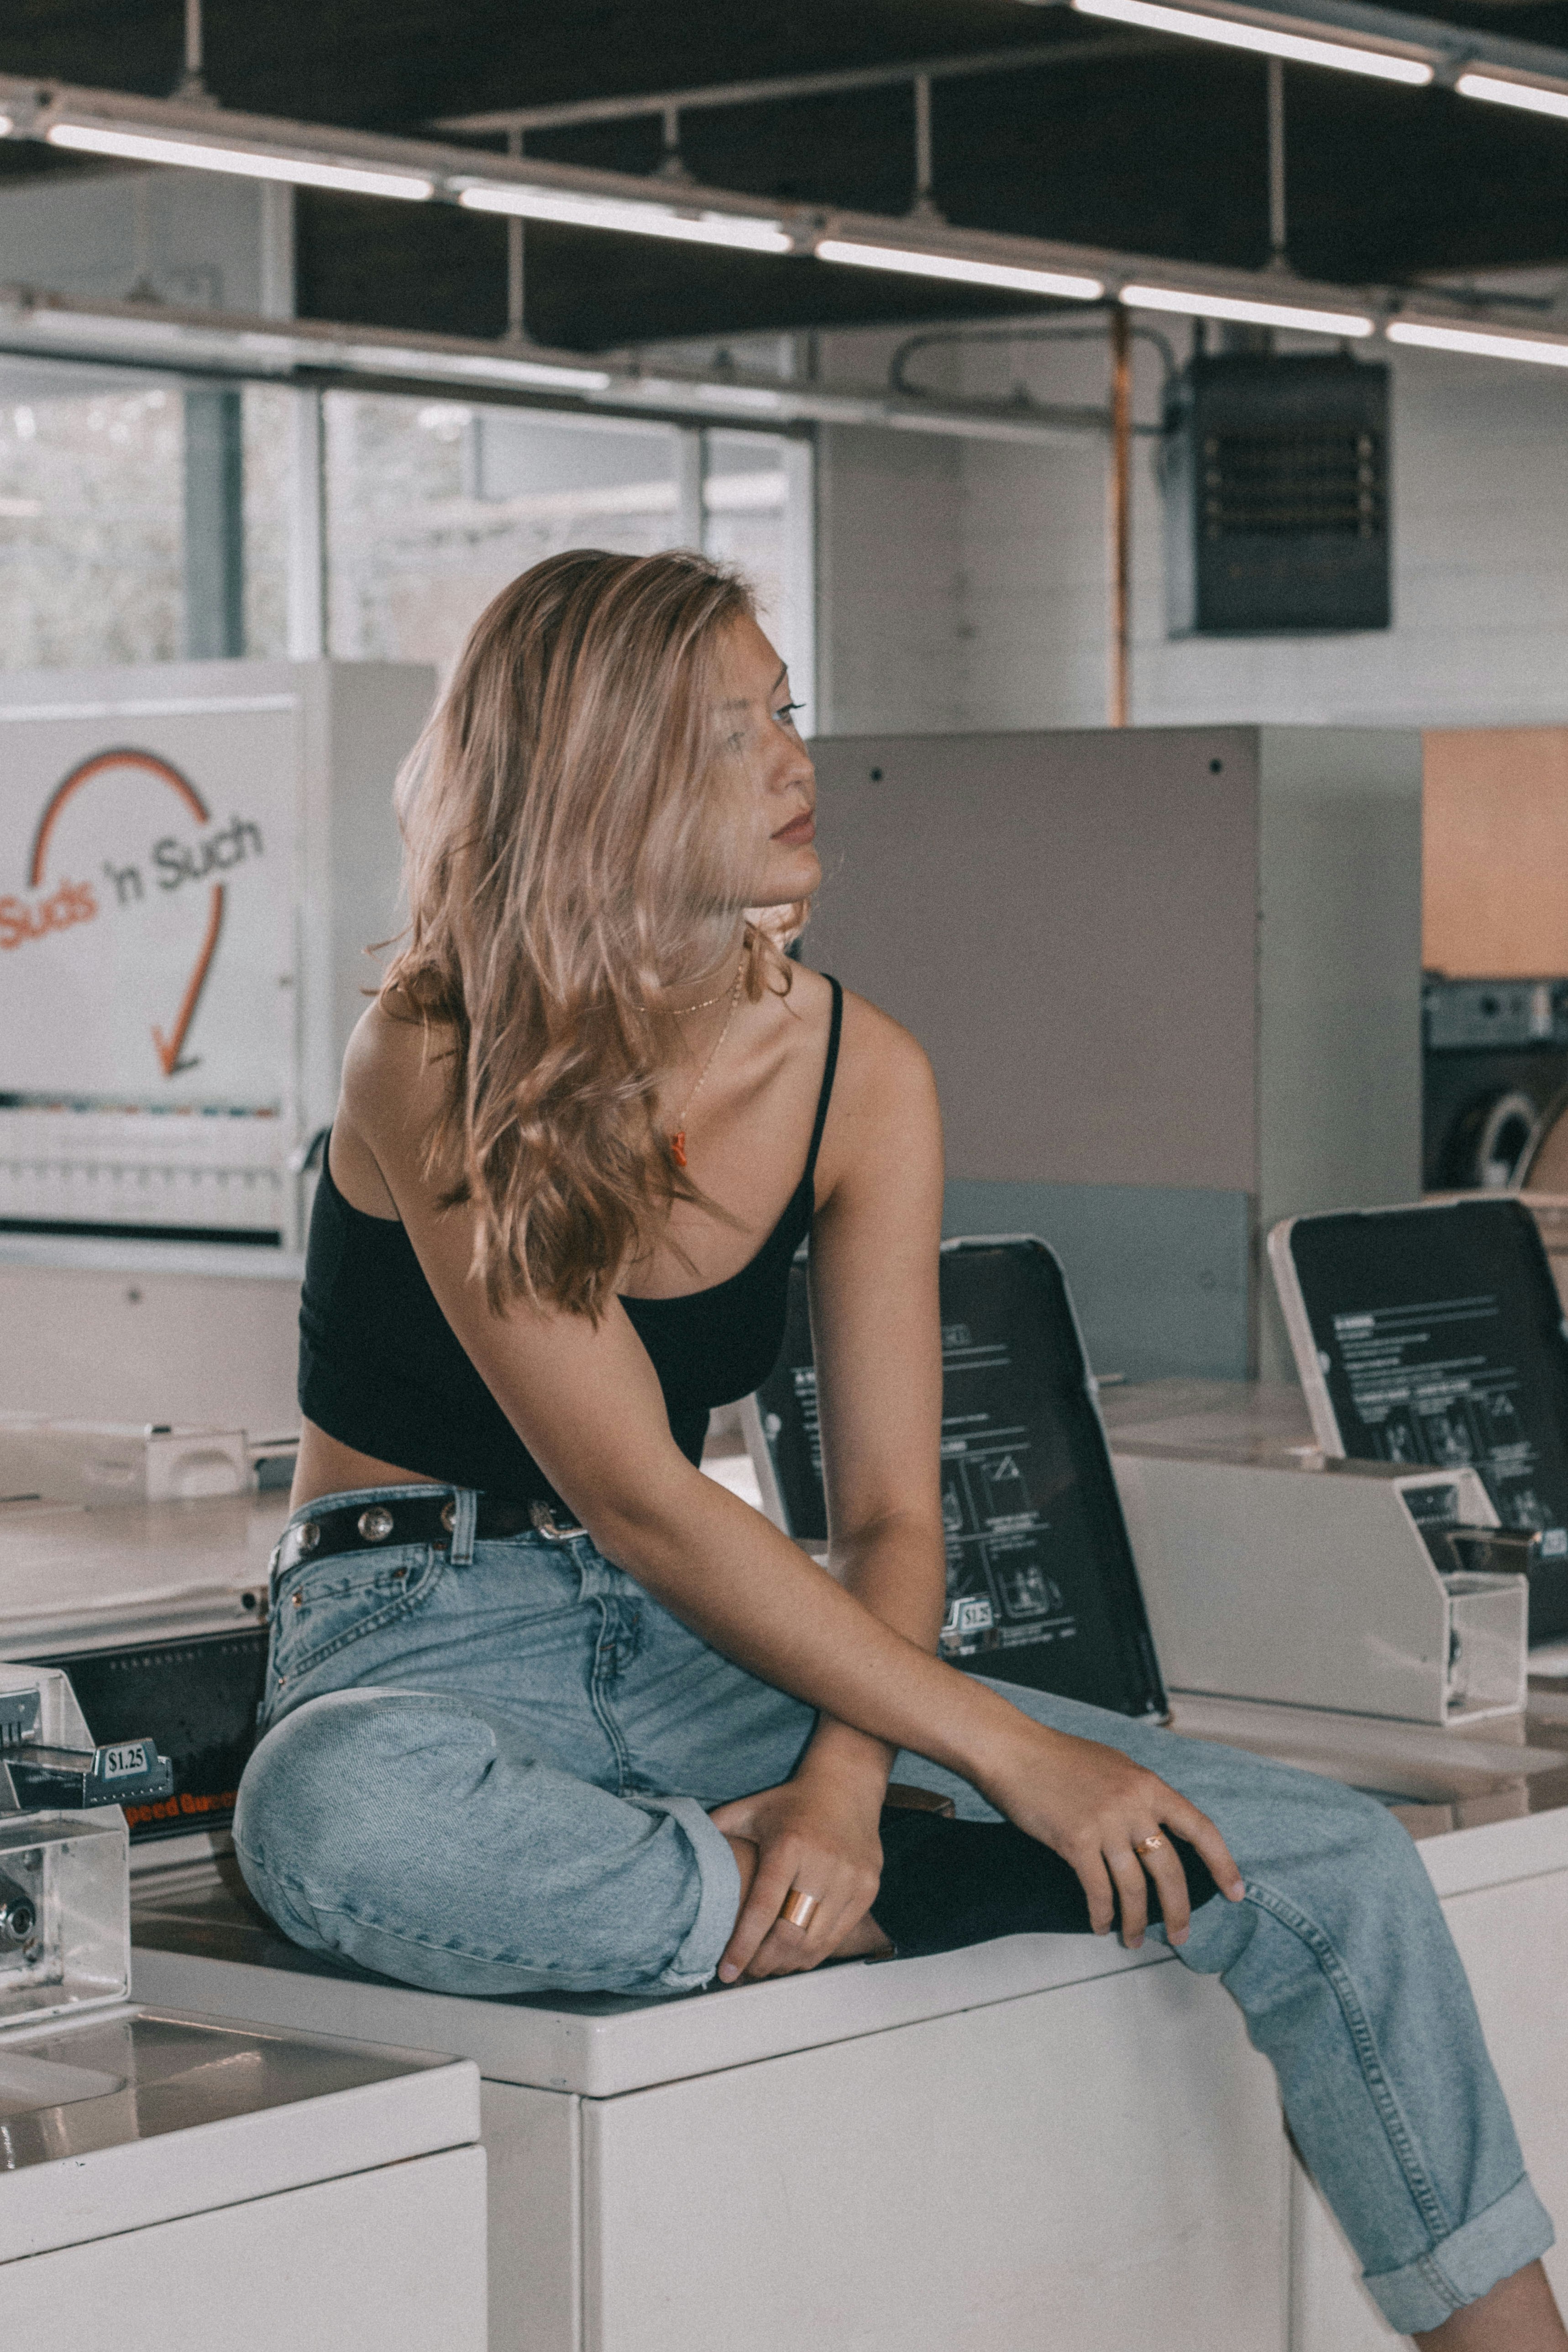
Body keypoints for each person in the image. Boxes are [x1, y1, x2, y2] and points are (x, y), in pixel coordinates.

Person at [236, 547, 1563, 2349]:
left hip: (735, 1645)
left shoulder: (867, 1071)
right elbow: (634, 1494)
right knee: (331, 1819)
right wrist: (1025, 1764)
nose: (798, 757)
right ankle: (869, 1891)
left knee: (1339, 1858)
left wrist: (850, 1777)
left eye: (789, 708)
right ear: (607, 773)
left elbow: (884, 1516)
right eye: (735, 730)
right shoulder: (429, 1046)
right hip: (421, 1634)